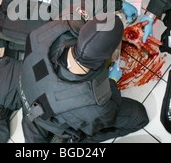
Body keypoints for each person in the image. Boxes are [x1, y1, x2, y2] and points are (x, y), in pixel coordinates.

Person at [0, 0, 138, 143]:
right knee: (38, 124)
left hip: (13, 58)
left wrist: (1, 45)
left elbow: (1, 12)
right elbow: (92, 2)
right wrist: (119, 5)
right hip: (42, 64)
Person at [19, 14, 149, 143]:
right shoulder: (94, 104)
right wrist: (112, 81)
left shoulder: (42, 33)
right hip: (55, 113)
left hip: (31, 96)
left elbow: (92, 36)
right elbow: (109, 112)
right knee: (139, 117)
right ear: (108, 55)